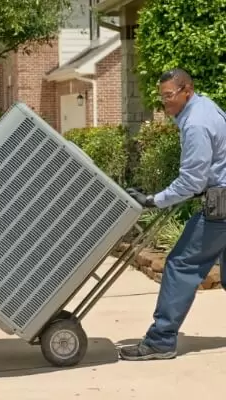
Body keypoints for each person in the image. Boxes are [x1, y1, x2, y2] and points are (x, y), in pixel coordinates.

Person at [120, 68, 226, 361]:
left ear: (186, 90)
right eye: (162, 96)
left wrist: (154, 199)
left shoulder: (196, 124)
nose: (164, 103)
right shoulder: (205, 106)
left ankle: (161, 340)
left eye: (169, 96)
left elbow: (193, 179)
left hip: (222, 207)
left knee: (181, 265)